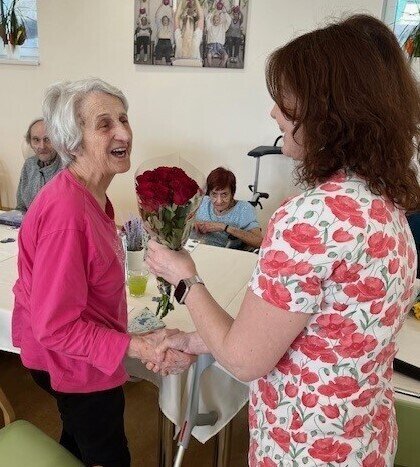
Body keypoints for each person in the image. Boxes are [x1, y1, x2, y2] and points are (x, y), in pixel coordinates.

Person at [145, 15, 420, 466]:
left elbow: (245, 359)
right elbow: (310, 333)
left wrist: (186, 279)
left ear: (329, 113)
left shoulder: (311, 217)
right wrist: (194, 341)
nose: (274, 113)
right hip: (364, 441)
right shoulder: (386, 204)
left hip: (304, 449)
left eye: (285, 101)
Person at [12, 78, 194, 467]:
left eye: (123, 119)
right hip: (71, 362)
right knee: (108, 453)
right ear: (72, 142)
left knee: (79, 438)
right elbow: (55, 327)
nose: (124, 133)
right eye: (105, 124)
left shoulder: (90, 194)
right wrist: (139, 347)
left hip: (79, 354)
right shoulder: (67, 214)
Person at [192, 167, 262, 249]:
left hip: (221, 252)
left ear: (232, 193)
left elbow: (259, 242)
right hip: (194, 249)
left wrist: (224, 227)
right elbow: (183, 221)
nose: (219, 201)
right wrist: (192, 224)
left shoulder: (244, 209)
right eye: (214, 194)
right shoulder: (203, 201)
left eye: (224, 194)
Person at [16, 118, 62, 212]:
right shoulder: (29, 165)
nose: (42, 146)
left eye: (48, 139)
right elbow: (21, 206)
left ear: (57, 140)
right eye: (36, 140)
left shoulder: (68, 167)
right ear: (30, 142)